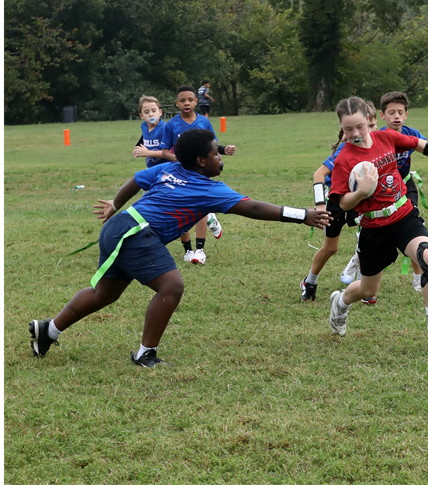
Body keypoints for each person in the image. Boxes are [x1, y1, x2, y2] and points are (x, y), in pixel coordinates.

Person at [29, 129, 331, 367]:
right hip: (137, 233)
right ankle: (145, 355)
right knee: (171, 286)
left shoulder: (169, 169)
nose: (221, 158)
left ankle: (49, 330)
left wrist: (115, 205)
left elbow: (136, 180)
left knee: (104, 293)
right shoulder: (210, 187)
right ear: (201, 161)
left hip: (120, 226)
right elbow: (252, 208)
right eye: (216, 153)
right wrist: (303, 215)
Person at [326, 96, 428, 345]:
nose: (355, 133)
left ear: (370, 120)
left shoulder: (386, 137)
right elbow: (343, 203)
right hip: (374, 227)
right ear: (341, 127)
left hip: (403, 215)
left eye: (359, 126)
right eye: (348, 129)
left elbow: (419, 144)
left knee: (427, 256)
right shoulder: (343, 158)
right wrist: (361, 191)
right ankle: (341, 301)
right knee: (368, 290)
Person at [340, 91, 428, 293]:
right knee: (371, 232)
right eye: (392, 112)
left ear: (406, 114)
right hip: (377, 194)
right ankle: (359, 259)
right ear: (382, 116)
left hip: (405, 188)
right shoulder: (375, 137)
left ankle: (419, 275)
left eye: (400, 112)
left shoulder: (412, 135)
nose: (396, 116)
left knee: (412, 229)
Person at [300, 100, 378, 304]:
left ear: (372, 123)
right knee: (331, 248)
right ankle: (309, 281)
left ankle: (364, 288)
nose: (361, 133)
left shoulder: (378, 145)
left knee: (366, 238)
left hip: (359, 200)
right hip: (336, 200)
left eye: (368, 127)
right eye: (352, 129)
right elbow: (319, 174)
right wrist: (320, 205)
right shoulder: (344, 151)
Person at [161, 85, 235, 264]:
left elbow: (212, 146)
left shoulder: (203, 122)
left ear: (196, 102)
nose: (186, 103)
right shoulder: (171, 125)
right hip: (180, 173)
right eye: (182, 100)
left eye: (190, 100)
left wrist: (225, 150)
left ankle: (200, 250)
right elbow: (164, 151)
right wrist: (176, 159)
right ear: (177, 104)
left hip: (200, 173)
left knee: (200, 208)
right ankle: (187, 250)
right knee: (181, 209)